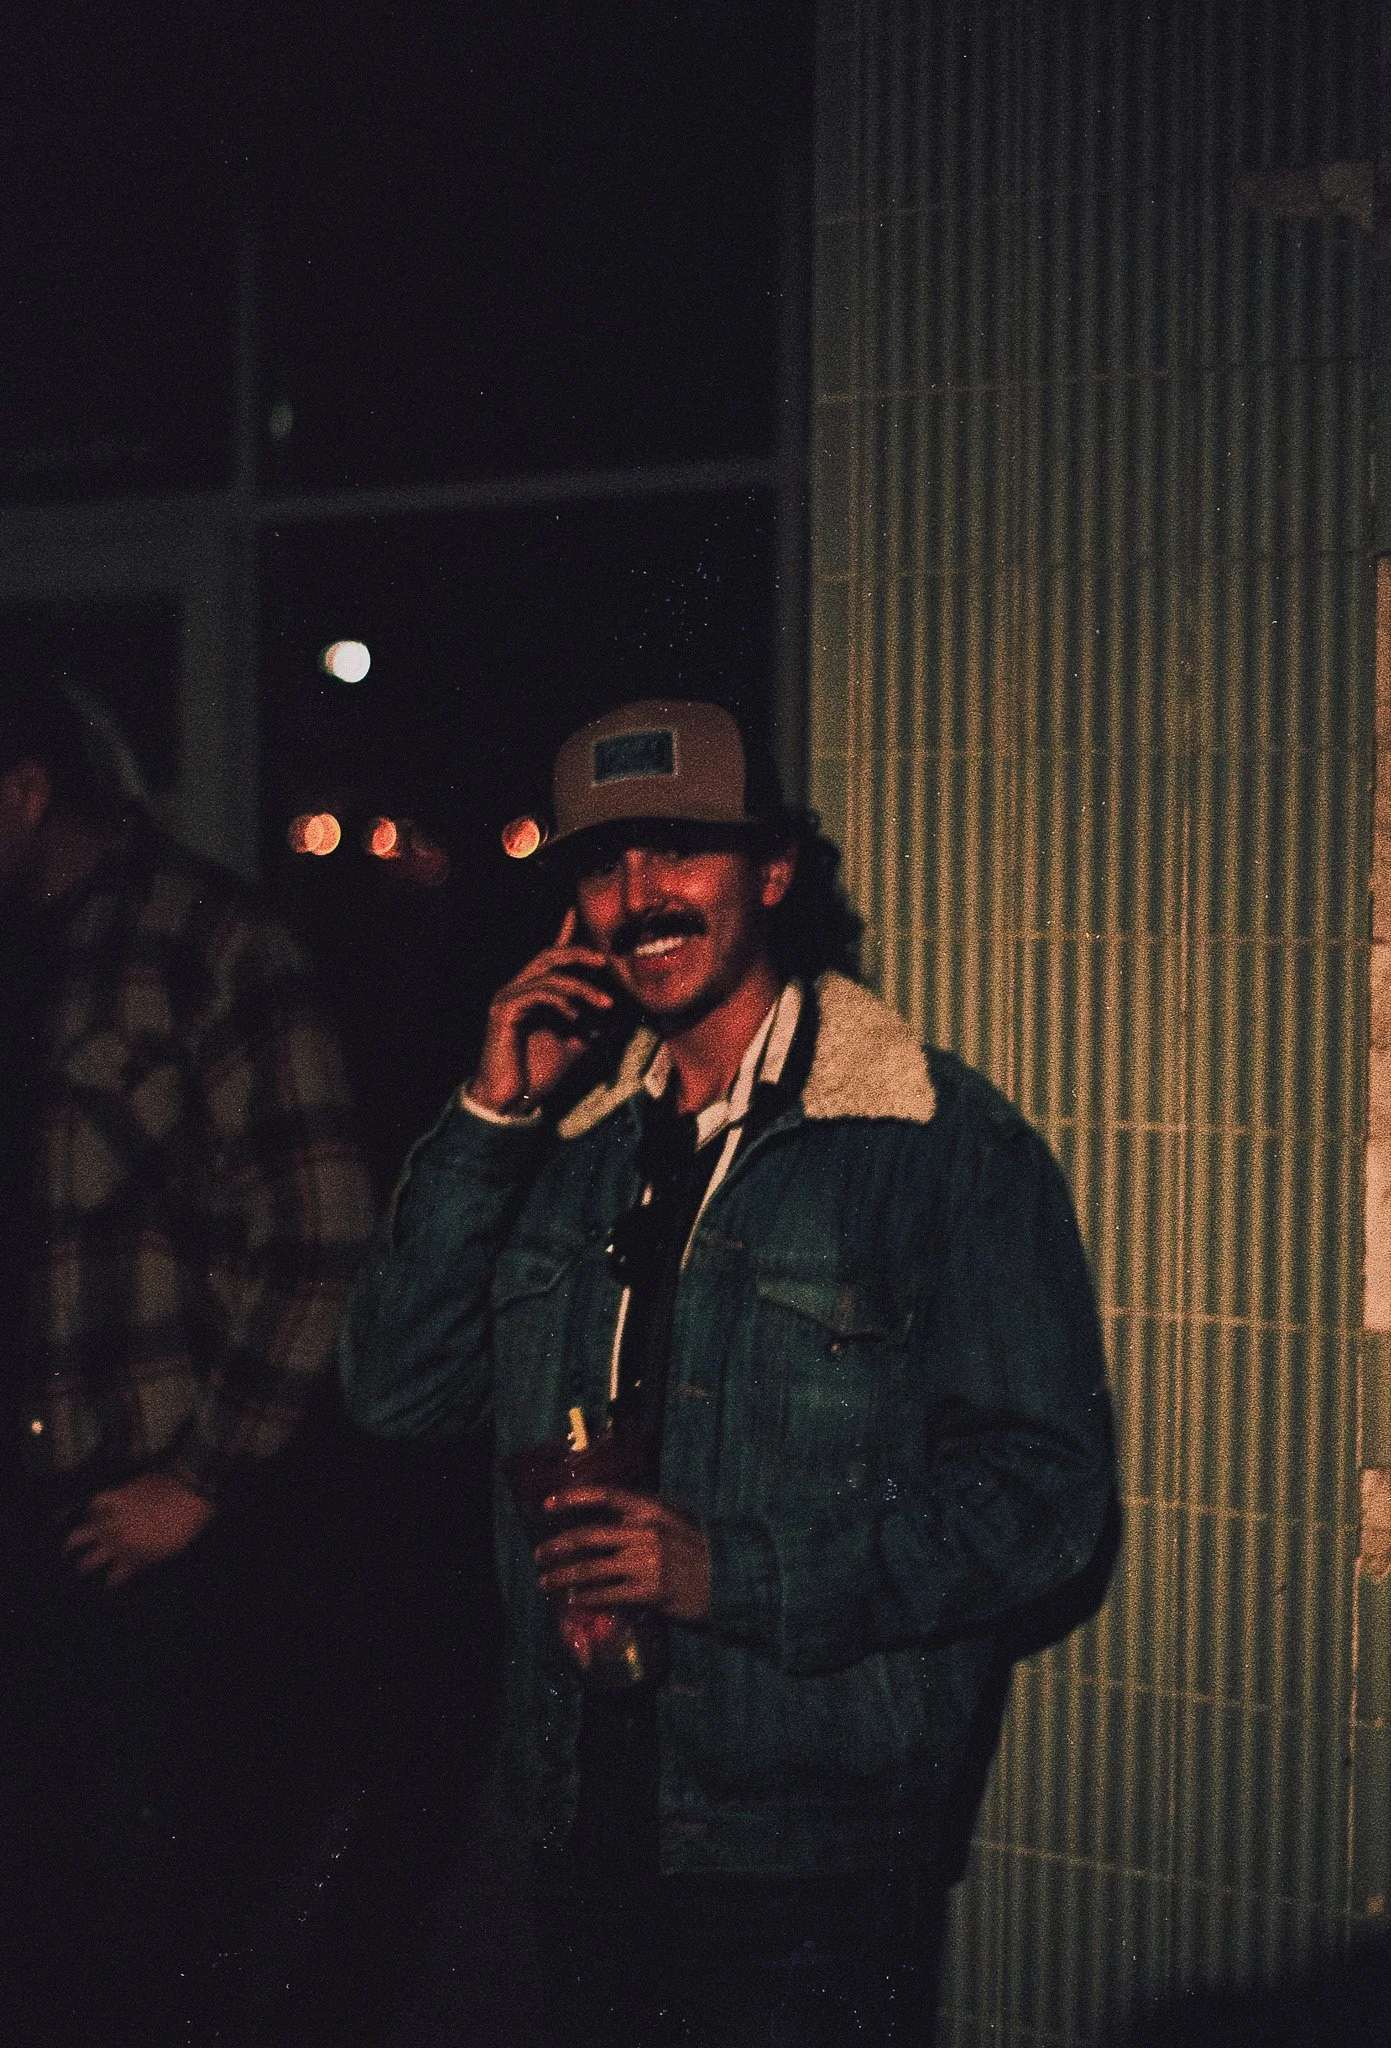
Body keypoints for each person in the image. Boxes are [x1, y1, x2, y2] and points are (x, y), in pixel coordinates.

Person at [340, 696, 1117, 2046]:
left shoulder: (931, 1144)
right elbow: (394, 1390)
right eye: (601, 863)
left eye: (679, 851)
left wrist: (733, 1570)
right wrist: (485, 1117)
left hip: (807, 1851)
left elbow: (1041, 1501)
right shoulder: (565, 1143)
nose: (637, 897)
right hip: (575, 1806)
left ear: (771, 870)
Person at [0, 670, 375, 2044]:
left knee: (155, 1920)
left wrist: (200, 1484)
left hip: (143, 1531)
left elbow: (328, 1235)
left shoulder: (210, 940)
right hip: (17, 1529)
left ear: (27, 793)